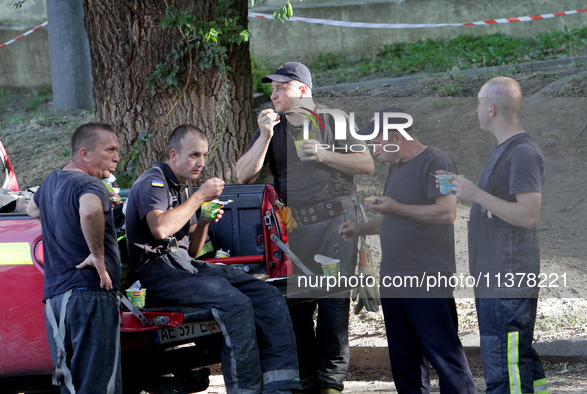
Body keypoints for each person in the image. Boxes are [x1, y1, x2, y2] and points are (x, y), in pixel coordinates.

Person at [124, 124, 300, 394]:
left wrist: (204, 220)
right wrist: (199, 198)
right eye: (194, 155)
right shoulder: (154, 182)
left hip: (184, 265)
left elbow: (192, 251)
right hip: (156, 271)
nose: (201, 163)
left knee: (266, 294)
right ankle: (246, 390)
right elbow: (160, 229)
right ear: (173, 155)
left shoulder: (183, 188)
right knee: (236, 304)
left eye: (204, 155)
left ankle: (282, 385)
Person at [236, 62, 374, 393]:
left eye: (280, 87)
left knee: (332, 304)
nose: (273, 93)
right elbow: (243, 175)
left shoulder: (332, 119)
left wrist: (325, 154)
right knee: (295, 305)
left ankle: (329, 382)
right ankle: (307, 379)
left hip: (335, 223)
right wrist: (265, 136)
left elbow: (366, 164)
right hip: (294, 228)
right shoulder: (273, 126)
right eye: (271, 88)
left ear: (302, 89)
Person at [338, 107, 477, 394]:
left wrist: (394, 207)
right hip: (394, 277)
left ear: (395, 136)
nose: (374, 151)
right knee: (404, 360)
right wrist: (360, 228)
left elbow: (446, 213)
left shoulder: (438, 160)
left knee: (443, 354)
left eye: (376, 143)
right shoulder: (396, 168)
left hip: (426, 275)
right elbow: (396, 217)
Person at [452, 77, 548, 394]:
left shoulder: (522, 153)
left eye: (479, 103)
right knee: (518, 361)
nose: (476, 109)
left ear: (491, 108)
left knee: (505, 371)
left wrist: (476, 194)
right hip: (496, 278)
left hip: (507, 279)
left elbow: (528, 215)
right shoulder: (506, 149)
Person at [26, 122, 122, 393]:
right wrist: (97, 256)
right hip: (90, 295)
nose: (116, 158)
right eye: (110, 150)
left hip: (56, 301)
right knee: (99, 384)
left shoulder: (52, 181)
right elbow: (90, 212)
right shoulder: (90, 183)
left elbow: (34, 208)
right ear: (85, 154)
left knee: (71, 384)